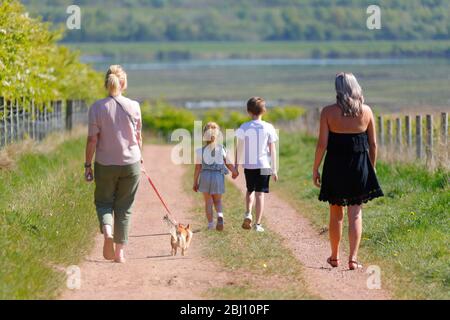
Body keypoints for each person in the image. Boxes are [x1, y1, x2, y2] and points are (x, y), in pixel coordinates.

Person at [313, 72, 384, 270]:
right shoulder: (367, 111)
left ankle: (334, 257)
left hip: (335, 165)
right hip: (360, 166)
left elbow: (322, 144)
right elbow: (374, 144)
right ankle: (353, 259)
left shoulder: (328, 112)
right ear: (356, 87)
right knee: (355, 214)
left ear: (338, 89)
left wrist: (315, 168)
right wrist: (372, 167)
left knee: (336, 213)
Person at [84, 65, 143, 263]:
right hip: (131, 163)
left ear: (106, 83)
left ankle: (107, 231)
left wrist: (87, 165)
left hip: (105, 163)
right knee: (125, 207)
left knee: (103, 202)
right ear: (123, 84)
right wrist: (139, 158)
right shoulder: (134, 106)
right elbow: (138, 137)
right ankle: (120, 254)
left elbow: (92, 140)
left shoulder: (97, 107)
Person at [235, 97, 279, 232]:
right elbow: (273, 150)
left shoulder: (244, 127)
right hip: (265, 165)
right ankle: (258, 224)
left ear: (248, 111)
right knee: (260, 194)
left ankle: (248, 213)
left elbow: (239, 148)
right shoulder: (269, 127)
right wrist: (275, 169)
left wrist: (236, 166)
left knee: (250, 190)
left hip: (249, 165)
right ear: (263, 111)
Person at [193, 122, 238, 231]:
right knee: (217, 201)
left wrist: (195, 182)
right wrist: (234, 171)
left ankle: (210, 224)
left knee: (208, 201)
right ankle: (220, 215)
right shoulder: (221, 148)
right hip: (218, 176)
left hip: (205, 176)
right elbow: (228, 163)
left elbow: (198, 168)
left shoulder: (200, 151)